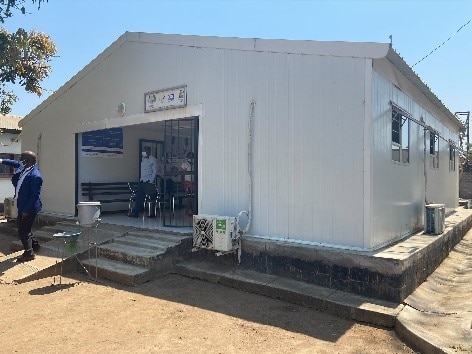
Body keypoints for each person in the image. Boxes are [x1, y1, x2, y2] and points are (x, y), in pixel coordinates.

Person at [0, 151, 43, 262]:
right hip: (22, 204)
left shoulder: (35, 176)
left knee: (23, 230)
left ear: (27, 161)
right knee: (26, 228)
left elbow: (34, 196)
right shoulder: (25, 168)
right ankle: (35, 246)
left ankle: (29, 253)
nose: (20, 161)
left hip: (29, 208)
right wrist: (1, 160)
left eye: (22, 159)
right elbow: (15, 163)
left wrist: (26, 211)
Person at [128, 146, 158, 217]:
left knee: (153, 196)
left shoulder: (152, 159)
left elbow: (155, 171)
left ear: (149, 151)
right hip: (142, 181)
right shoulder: (143, 159)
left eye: (145, 151)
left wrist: (151, 181)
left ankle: (152, 213)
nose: (144, 152)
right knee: (139, 197)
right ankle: (135, 213)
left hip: (148, 182)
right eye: (143, 151)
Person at [180, 151, 195, 216]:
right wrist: (182, 183)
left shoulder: (195, 163)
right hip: (187, 182)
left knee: (193, 196)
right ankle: (190, 210)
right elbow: (182, 173)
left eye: (192, 156)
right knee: (190, 196)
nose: (191, 157)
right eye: (190, 156)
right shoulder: (185, 163)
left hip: (194, 182)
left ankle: (189, 210)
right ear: (187, 156)